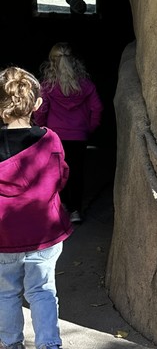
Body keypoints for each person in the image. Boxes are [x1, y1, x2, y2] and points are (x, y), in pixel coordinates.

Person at [0, 67, 73, 349]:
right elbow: (62, 175)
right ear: (37, 104)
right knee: (43, 291)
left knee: (5, 292)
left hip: (3, 236)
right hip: (44, 233)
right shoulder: (51, 140)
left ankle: (11, 347)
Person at [36, 42, 102, 224]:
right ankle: (76, 211)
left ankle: (62, 206)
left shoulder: (48, 86)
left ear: (52, 62)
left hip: (55, 136)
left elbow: (41, 110)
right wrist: (89, 127)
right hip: (79, 135)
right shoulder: (85, 85)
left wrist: (42, 127)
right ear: (74, 61)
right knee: (77, 173)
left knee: (57, 172)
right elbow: (97, 108)